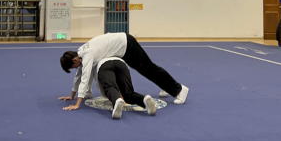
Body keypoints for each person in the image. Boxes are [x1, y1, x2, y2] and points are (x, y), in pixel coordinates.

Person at [59, 32, 188, 111]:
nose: (75, 68)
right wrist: (72, 95)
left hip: (127, 45)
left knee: (148, 69)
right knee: (147, 69)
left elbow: (85, 77)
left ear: (74, 59)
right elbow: (78, 76)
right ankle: (165, 86)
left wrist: (77, 104)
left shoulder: (88, 54)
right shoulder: (80, 53)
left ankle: (179, 90)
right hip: (123, 47)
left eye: (73, 66)